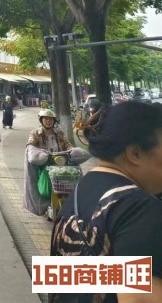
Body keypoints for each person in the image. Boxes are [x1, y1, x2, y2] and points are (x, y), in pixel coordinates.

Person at [49, 102, 162, 302]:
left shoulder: (81, 190)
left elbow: (59, 278)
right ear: (135, 153)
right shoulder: (139, 209)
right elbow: (140, 298)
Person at [22, 109, 76, 217]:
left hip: (60, 163)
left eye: (51, 119)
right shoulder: (35, 133)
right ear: (41, 120)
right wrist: (36, 152)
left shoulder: (59, 133)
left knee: (74, 175)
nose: (48, 121)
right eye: (46, 119)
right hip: (43, 164)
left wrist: (72, 150)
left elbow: (67, 144)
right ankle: (41, 205)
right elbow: (30, 144)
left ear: (54, 121)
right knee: (43, 186)